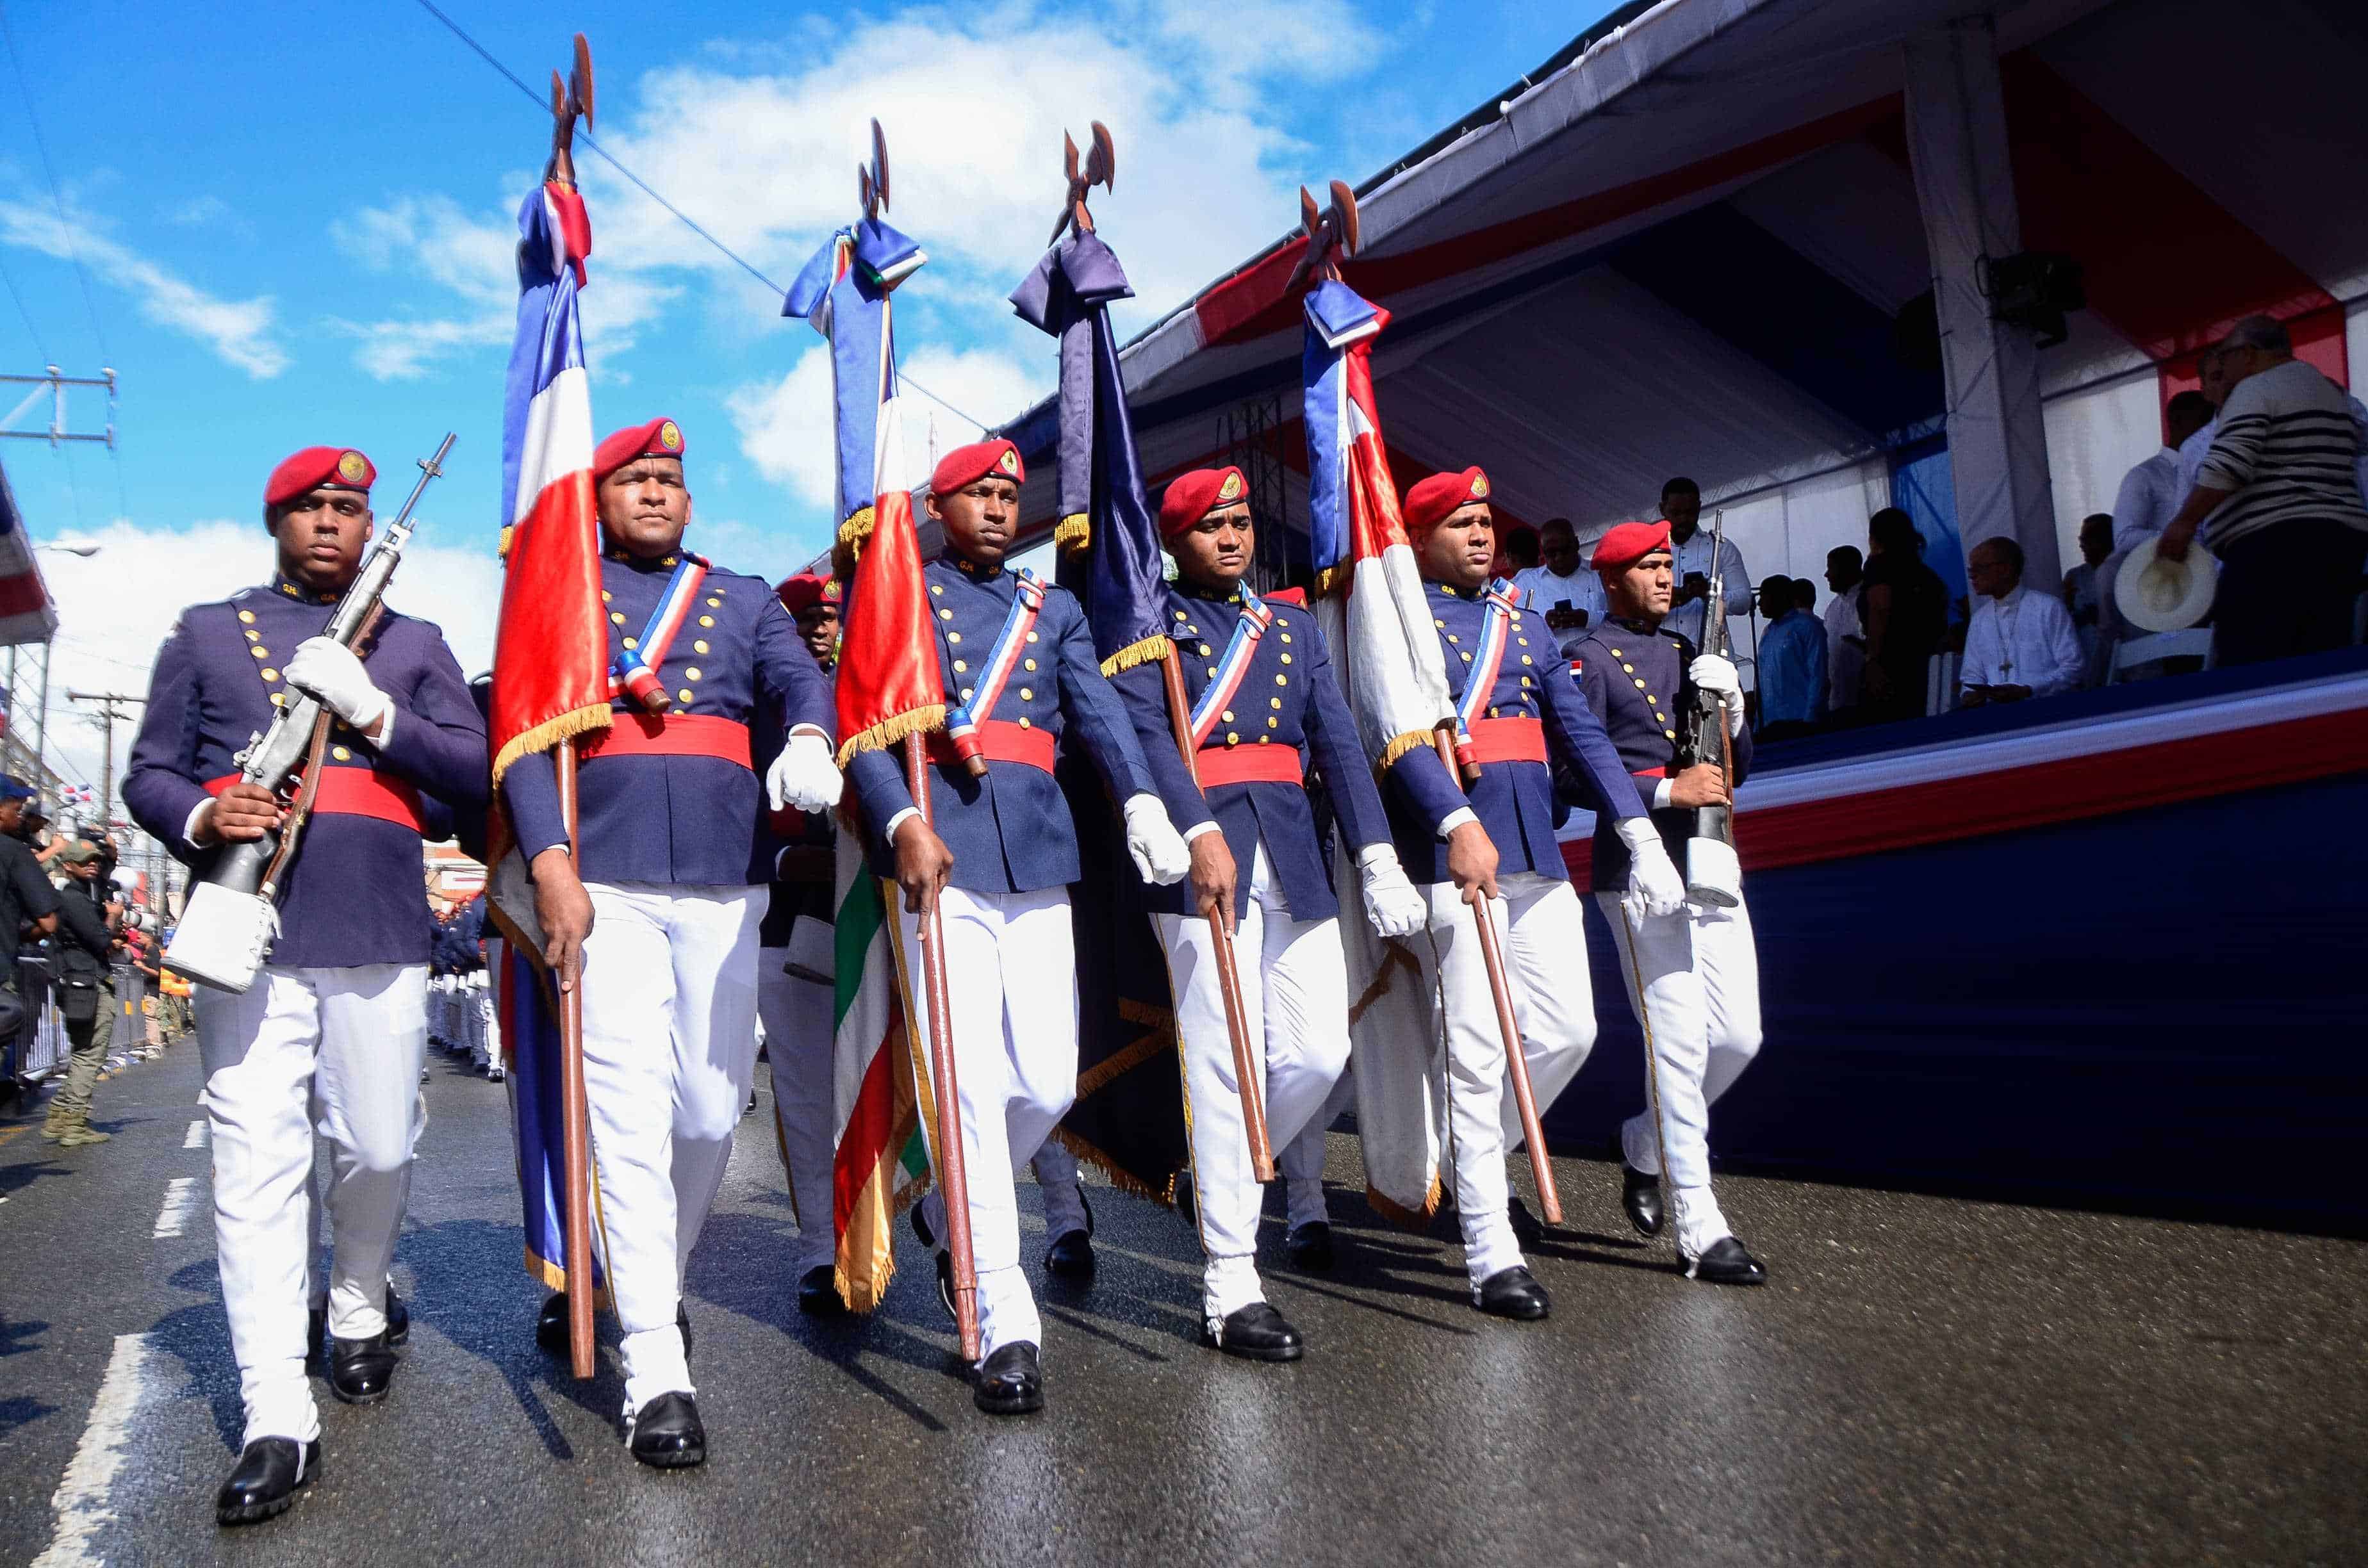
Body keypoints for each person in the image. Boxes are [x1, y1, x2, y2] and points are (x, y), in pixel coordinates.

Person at [123, 444, 488, 1524]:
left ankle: (359, 1295)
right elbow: (151, 768)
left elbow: (470, 773)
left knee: (380, 1142)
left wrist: (377, 713)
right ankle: (276, 1411)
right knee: (256, 1159)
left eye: (351, 507)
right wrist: (202, 814)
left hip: (377, 920)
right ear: (276, 517)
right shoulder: (206, 630)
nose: (334, 521)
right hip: (252, 928)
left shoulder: (412, 641)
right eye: (312, 506)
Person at [505, 418, 840, 1466]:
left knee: (706, 1107)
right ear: (599, 496)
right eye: (634, 478)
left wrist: (807, 737)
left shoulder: (740, 597)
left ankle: (649, 1268)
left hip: (723, 872)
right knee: (627, 1108)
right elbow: (523, 729)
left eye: (669, 481)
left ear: (690, 502)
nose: (654, 492)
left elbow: (800, 681)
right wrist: (550, 859)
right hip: (602, 875)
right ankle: (656, 1358)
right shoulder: (557, 594)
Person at [848, 437, 1197, 1416]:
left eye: (1011, 494)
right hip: (941, 852)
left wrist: (1138, 803)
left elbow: (1100, 719)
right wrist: (901, 819)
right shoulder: (900, 597)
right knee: (967, 1084)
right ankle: (1004, 1318)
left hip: (1041, 852)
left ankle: (955, 1208)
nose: (1001, 507)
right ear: (938, 504)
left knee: (1044, 1077)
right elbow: (866, 726)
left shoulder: (1058, 609)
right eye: (980, 494)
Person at [1110, 466, 1427, 1359]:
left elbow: (1340, 747)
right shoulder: (1150, 633)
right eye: (1212, 526)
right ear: (1177, 542)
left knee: (1320, 1052)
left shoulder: (1288, 627)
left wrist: (1375, 855)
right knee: (1225, 1065)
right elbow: (1147, 739)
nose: (1233, 538)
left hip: (1295, 859)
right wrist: (1195, 826)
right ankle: (1231, 1283)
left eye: (1242, 523)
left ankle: (1216, 1180)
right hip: (1201, 862)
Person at [1377, 468, 1684, 1312]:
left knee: (1567, 1030)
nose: (1480, 534)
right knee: (1478, 1053)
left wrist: (1636, 830)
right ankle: (1489, 1246)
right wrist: (1451, 826)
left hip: (1534, 847)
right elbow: (1398, 741)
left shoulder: (1524, 621)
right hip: (1456, 853)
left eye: (1485, 521)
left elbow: (1580, 733)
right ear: (1421, 538)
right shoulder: (1397, 624)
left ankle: (1469, 1153)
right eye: (1459, 523)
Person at [1570, 519, 1766, 1284]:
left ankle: (1646, 1144)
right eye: (1647, 567)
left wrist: (1735, 712)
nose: (1663, 577)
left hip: (1711, 856)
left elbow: (1732, 769)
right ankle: (1700, 1223)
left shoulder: (1691, 654)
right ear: (1612, 580)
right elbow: (1570, 776)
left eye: (1666, 564)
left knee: (1739, 1036)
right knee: (1680, 1046)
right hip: (1640, 871)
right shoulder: (1587, 660)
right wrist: (1660, 789)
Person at [2156, 316, 2368, 664]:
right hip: (2340, 544)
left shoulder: (2256, 388)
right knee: (2320, 666)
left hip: (2274, 550)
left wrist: (2183, 523)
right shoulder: (2330, 391)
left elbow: (2230, 463)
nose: (2223, 371)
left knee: (2255, 671)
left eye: (2225, 358)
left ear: (2250, 354)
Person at [758, 569, 846, 1316]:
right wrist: (791, 860)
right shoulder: (762, 705)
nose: (820, 628)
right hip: (787, 922)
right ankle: (821, 1245)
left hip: (874, 919)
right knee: (808, 1097)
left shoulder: (871, 691)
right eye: (804, 619)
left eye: (830, 616)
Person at [43, 840, 119, 1143]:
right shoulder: (73, 900)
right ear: (68, 866)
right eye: (84, 860)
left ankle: (59, 1116)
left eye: (96, 860)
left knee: (83, 1053)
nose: (93, 864)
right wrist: (112, 917)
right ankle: (75, 1123)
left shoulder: (80, 895)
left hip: (79, 981)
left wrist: (110, 856)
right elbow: (99, 940)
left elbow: (101, 881)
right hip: (86, 983)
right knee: (90, 1055)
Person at [1959, 537, 2087, 706]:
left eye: (1979, 569)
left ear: (2006, 569)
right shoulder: (1979, 620)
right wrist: (1970, 694)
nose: (1972, 576)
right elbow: (1971, 675)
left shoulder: (2048, 608)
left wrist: (2029, 690)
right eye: (1971, 570)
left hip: (2049, 709)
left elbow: (2074, 667)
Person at [1857, 509, 1948, 723]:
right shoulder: (1926, 575)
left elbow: (1880, 609)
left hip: (1891, 667)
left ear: (1875, 538)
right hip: (1925, 665)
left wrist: (1872, 660)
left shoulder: (1879, 568)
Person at [1661, 477, 1752, 650]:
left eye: (1690, 512)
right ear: (1662, 509)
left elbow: (1744, 601)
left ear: (1699, 507)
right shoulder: (1647, 551)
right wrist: (1664, 600)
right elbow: (1631, 607)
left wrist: (1710, 593)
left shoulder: (1721, 547)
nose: (1683, 519)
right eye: (1676, 513)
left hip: (1711, 657)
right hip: (1662, 658)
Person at [1510, 516, 1606, 658]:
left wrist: (1588, 619)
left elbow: (1620, 621)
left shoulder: (1601, 575)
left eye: (1565, 550)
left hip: (1596, 663)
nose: (1559, 558)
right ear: (1543, 552)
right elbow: (1513, 630)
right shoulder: (1526, 584)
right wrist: (1543, 625)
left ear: (1577, 544)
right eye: (1552, 553)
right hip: (1549, 667)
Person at [1753, 575, 1826, 737]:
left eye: (1764, 596)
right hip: (1770, 723)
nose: (1759, 604)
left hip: (1799, 721)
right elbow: (1763, 681)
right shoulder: (1768, 633)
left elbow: (1818, 675)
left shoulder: (1807, 627)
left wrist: (1811, 718)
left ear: (1780, 597)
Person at [2063, 514, 2112, 680]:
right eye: (2081, 539)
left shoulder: (2125, 572)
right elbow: (2061, 623)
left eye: (2087, 539)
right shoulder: (2074, 577)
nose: (2081, 545)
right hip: (2086, 662)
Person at [1821, 546, 1866, 717]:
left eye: (1831, 568)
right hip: (1836, 702)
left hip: (1863, 701)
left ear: (1847, 568)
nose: (1826, 575)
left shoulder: (1867, 600)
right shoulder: (1832, 608)